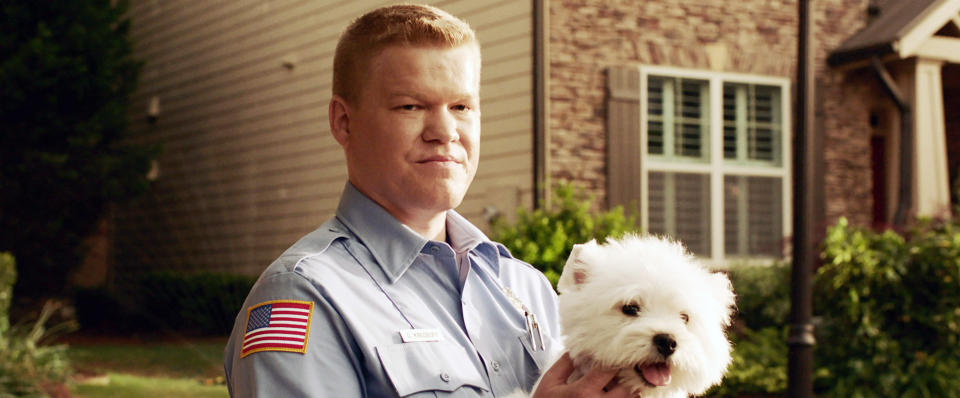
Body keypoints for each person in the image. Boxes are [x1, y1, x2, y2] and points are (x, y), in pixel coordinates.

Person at [224, 4, 634, 397]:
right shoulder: (303, 297)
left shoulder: (524, 286)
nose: (444, 130)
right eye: (411, 106)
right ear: (343, 122)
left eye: (461, 106)